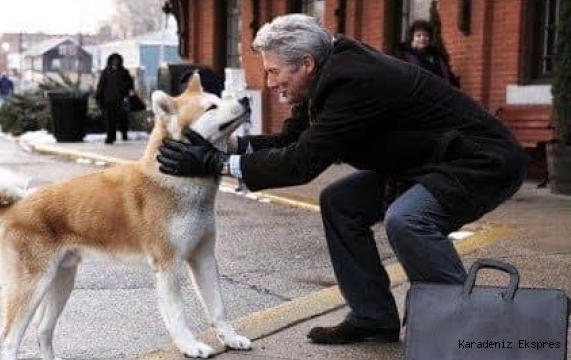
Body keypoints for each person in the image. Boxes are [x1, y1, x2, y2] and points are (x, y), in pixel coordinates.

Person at [156, 14, 527, 344]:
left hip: (479, 161)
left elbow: (301, 163)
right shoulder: (324, 77)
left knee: (408, 218)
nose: (269, 82)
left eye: (273, 71)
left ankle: (471, 329)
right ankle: (373, 317)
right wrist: (222, 143)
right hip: (426, 162)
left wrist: (214, 163)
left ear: (306, 64)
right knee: (340, 203)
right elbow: (289, 142)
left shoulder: (353, 82)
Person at [397, 19, 459, 87]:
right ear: (411, 38)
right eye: (418, 35)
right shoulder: (404, 58)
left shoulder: (438, 57)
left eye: (426, 35)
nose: (423, 38)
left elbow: (450, 79)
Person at [95, 53, 134, 144]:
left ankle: (124, 133)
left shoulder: (124, 72)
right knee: (109, 120)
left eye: (117, 60)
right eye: (113, 60)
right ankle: (110, 137)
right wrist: (98, 96)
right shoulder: (106, 72)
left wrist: (123, 89)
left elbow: (130, 84)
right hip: (108, 100)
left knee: (123, 118)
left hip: (121, 99)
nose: (115, 61)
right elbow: (101, 85)